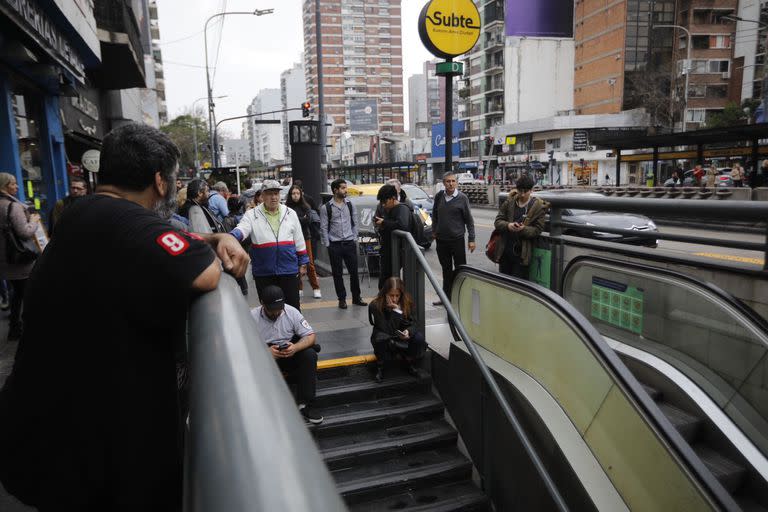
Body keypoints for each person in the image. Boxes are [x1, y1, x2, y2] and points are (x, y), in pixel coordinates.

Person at [0, 122, 250, 510]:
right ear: (159, 182)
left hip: (43, 438)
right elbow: (205, 272)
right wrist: (219, 241)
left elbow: (143, 241)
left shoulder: (81, 214)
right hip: (98, 460)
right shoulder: (130, 222)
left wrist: (214, 236)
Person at [231, 180, 308, 310]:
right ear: (262, 195)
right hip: (264, 271)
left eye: (276, 193)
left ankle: (293, 331)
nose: (274, 197)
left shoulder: (290, 213)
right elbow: (242, 229)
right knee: (268, 309)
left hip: (288, 269)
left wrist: (303, 262)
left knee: (293, 307)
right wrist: (231, 237)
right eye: (270, 194)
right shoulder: (252, 214)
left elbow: (299, 239)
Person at [250, 285, 322, 424]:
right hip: (265, 356)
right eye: (272, 311)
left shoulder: (291, 312)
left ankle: (305, 404)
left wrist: (295, 347)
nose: (277, 313)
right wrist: (265, 352)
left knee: (309, 354)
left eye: (279, 309)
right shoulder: (252, 316)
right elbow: (242, 345)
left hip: (288, 352)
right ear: (262, 303)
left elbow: (311, 336)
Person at [0, 173, 41, 341]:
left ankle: (15, 328)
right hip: (20, 259)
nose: (17, 187)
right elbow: (25, 232)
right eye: (14, 184)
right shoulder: (13, 206)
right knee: (28, 294)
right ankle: (30, 328)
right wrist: (34, 220)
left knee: (17, 293)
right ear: (5, 186)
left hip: (4, 259)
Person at [368, 277, 426, 383]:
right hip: (385, 334)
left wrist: (408, 331)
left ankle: (409, 362)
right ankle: (380, 367)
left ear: (401, 295)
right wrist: (396, 312)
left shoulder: (406, 302)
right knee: (382, 338)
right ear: (385, 293)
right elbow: (386, 330)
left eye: (397, 296)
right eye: (391, 295)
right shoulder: (375, 305)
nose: (394, 299)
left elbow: (414, 323)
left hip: (401, 334)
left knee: (418, 338)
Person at [431, 171, 475, 306]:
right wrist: (434, 230)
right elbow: (435, 214)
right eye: (448, 181)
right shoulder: (439, 196)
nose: (450, 184)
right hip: (442, 240)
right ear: (443, 183)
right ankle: (446, 298)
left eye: (453, 181)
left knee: (460, 269)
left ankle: (460, 297)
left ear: (456, 182)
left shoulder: (462, 198)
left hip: (457, 240)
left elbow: (469, 220)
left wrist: (471, 239)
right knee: (446, 270)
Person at [320, 179, 366, 309]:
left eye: (346, 188)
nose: (346, 190)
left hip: (349, 243)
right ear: (335, 190)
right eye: (343, 188)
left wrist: (354, 238)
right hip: (335, 245)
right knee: (337, 273)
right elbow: (323, 227)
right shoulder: (326, 208)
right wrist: (328, 244)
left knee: (354, 272)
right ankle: (342, 299)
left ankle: (357, 297)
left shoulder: (350, 205)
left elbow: (355, 222)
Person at [493, 175, 546, 280]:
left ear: (531, 190)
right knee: (504, 282)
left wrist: (523, 230)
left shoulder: (537, 207)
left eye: (525, 191)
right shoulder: (510, 202)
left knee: (518, 285)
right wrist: (508, 225)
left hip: (522, 255)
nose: (522, 194)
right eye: (520, 191)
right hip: (505, 251)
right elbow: (497, 222)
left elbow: (538, 230)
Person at [285, 184, 322, 299]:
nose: (295, 196)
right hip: (291, 239)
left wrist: (297, 219)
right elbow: (288, 223)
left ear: (301, 194)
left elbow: (308, 221)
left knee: (309, 263)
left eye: (297, 193)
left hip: (305, 237)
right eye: (293, 193)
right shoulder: (286, 208)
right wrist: (302, 219)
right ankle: (299, 287)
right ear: (290, 195)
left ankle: (316, 288)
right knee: (295, 264)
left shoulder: (306, 206)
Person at [375, 184, 411, 289]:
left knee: (389, 282)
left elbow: (403, 226)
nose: (383, 205)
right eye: (381, 202)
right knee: (385, 282)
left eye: (385, 202)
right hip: (387, 251)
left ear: (393, 198)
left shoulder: (402, 209)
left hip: (397, 253)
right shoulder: (387, 210)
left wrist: (384, 223)